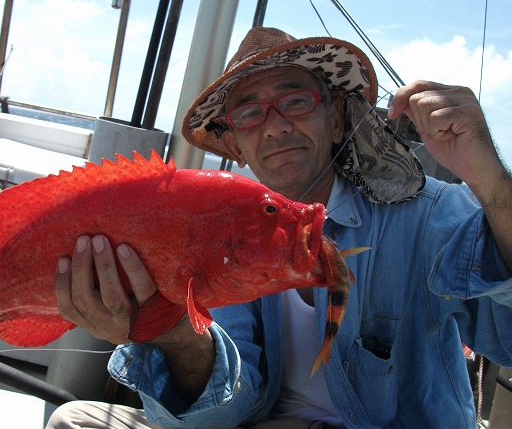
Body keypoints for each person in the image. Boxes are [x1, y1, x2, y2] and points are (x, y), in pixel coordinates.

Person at [46, 27, 512, 428]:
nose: (274, 127)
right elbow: (223, 409)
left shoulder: (427, 214)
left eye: (295, 101)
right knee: (73, 420)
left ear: (336, 121)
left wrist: (492, 182)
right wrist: (172, 333)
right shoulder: (219, 230)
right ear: (235, 147)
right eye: (250, 113)